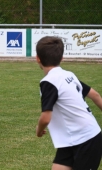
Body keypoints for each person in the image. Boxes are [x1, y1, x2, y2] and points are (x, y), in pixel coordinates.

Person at [35, 36, 102, 170]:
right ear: (61, 58)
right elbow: (95, 95)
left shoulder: (49, 82)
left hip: (87, 139)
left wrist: (39, 130)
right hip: (70, 140)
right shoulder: (68, 75)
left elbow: (46, 117)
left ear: (38, 59)